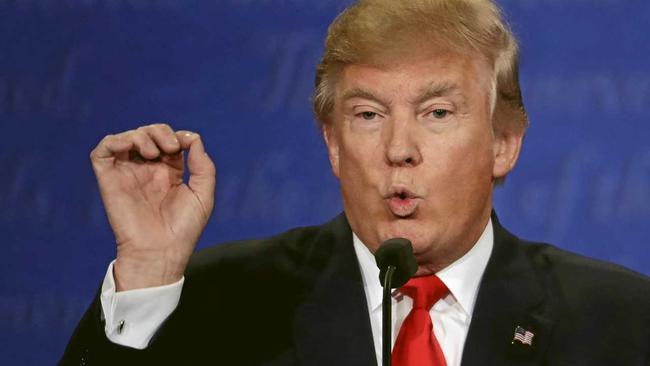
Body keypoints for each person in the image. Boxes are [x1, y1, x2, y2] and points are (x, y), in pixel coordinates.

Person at [60, 0, 650, 365]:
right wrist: (146, 274)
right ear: (334, 145)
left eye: (437, 113)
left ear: (504, 143)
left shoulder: (620, 321)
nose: (398, 150)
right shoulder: (222, 304)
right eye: (368, 115)